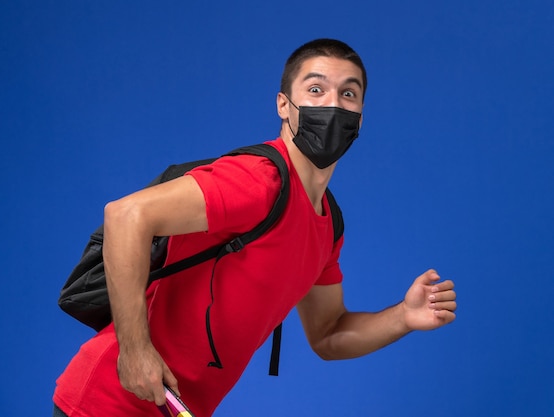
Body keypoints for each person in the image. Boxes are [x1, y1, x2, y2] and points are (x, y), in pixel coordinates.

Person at [53, 38, 457, 417]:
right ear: (284, 105)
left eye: (348, 94)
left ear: (360, 117)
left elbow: (328, 334)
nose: (332, 104)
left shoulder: (327, 223)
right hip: (108, 401)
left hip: (177, 407)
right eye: (316, 90)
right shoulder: (259, 181)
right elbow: (127, 215)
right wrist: (135, 350)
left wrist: (403, 316)